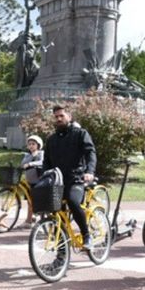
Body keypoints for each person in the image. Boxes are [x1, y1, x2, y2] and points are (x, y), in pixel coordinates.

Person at [42, 105, 97, 248]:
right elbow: (46, 161)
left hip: (76, 180)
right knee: (54, 211)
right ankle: (61, 254)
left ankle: (86, 235)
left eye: (62, 116)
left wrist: (89, 172)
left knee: (73, 202)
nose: (59, 119)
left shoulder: (80, 134)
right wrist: (44, 176)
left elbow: (90, 152)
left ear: (69, 117)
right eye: (56, 117)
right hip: (58, 182)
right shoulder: (51, 139)